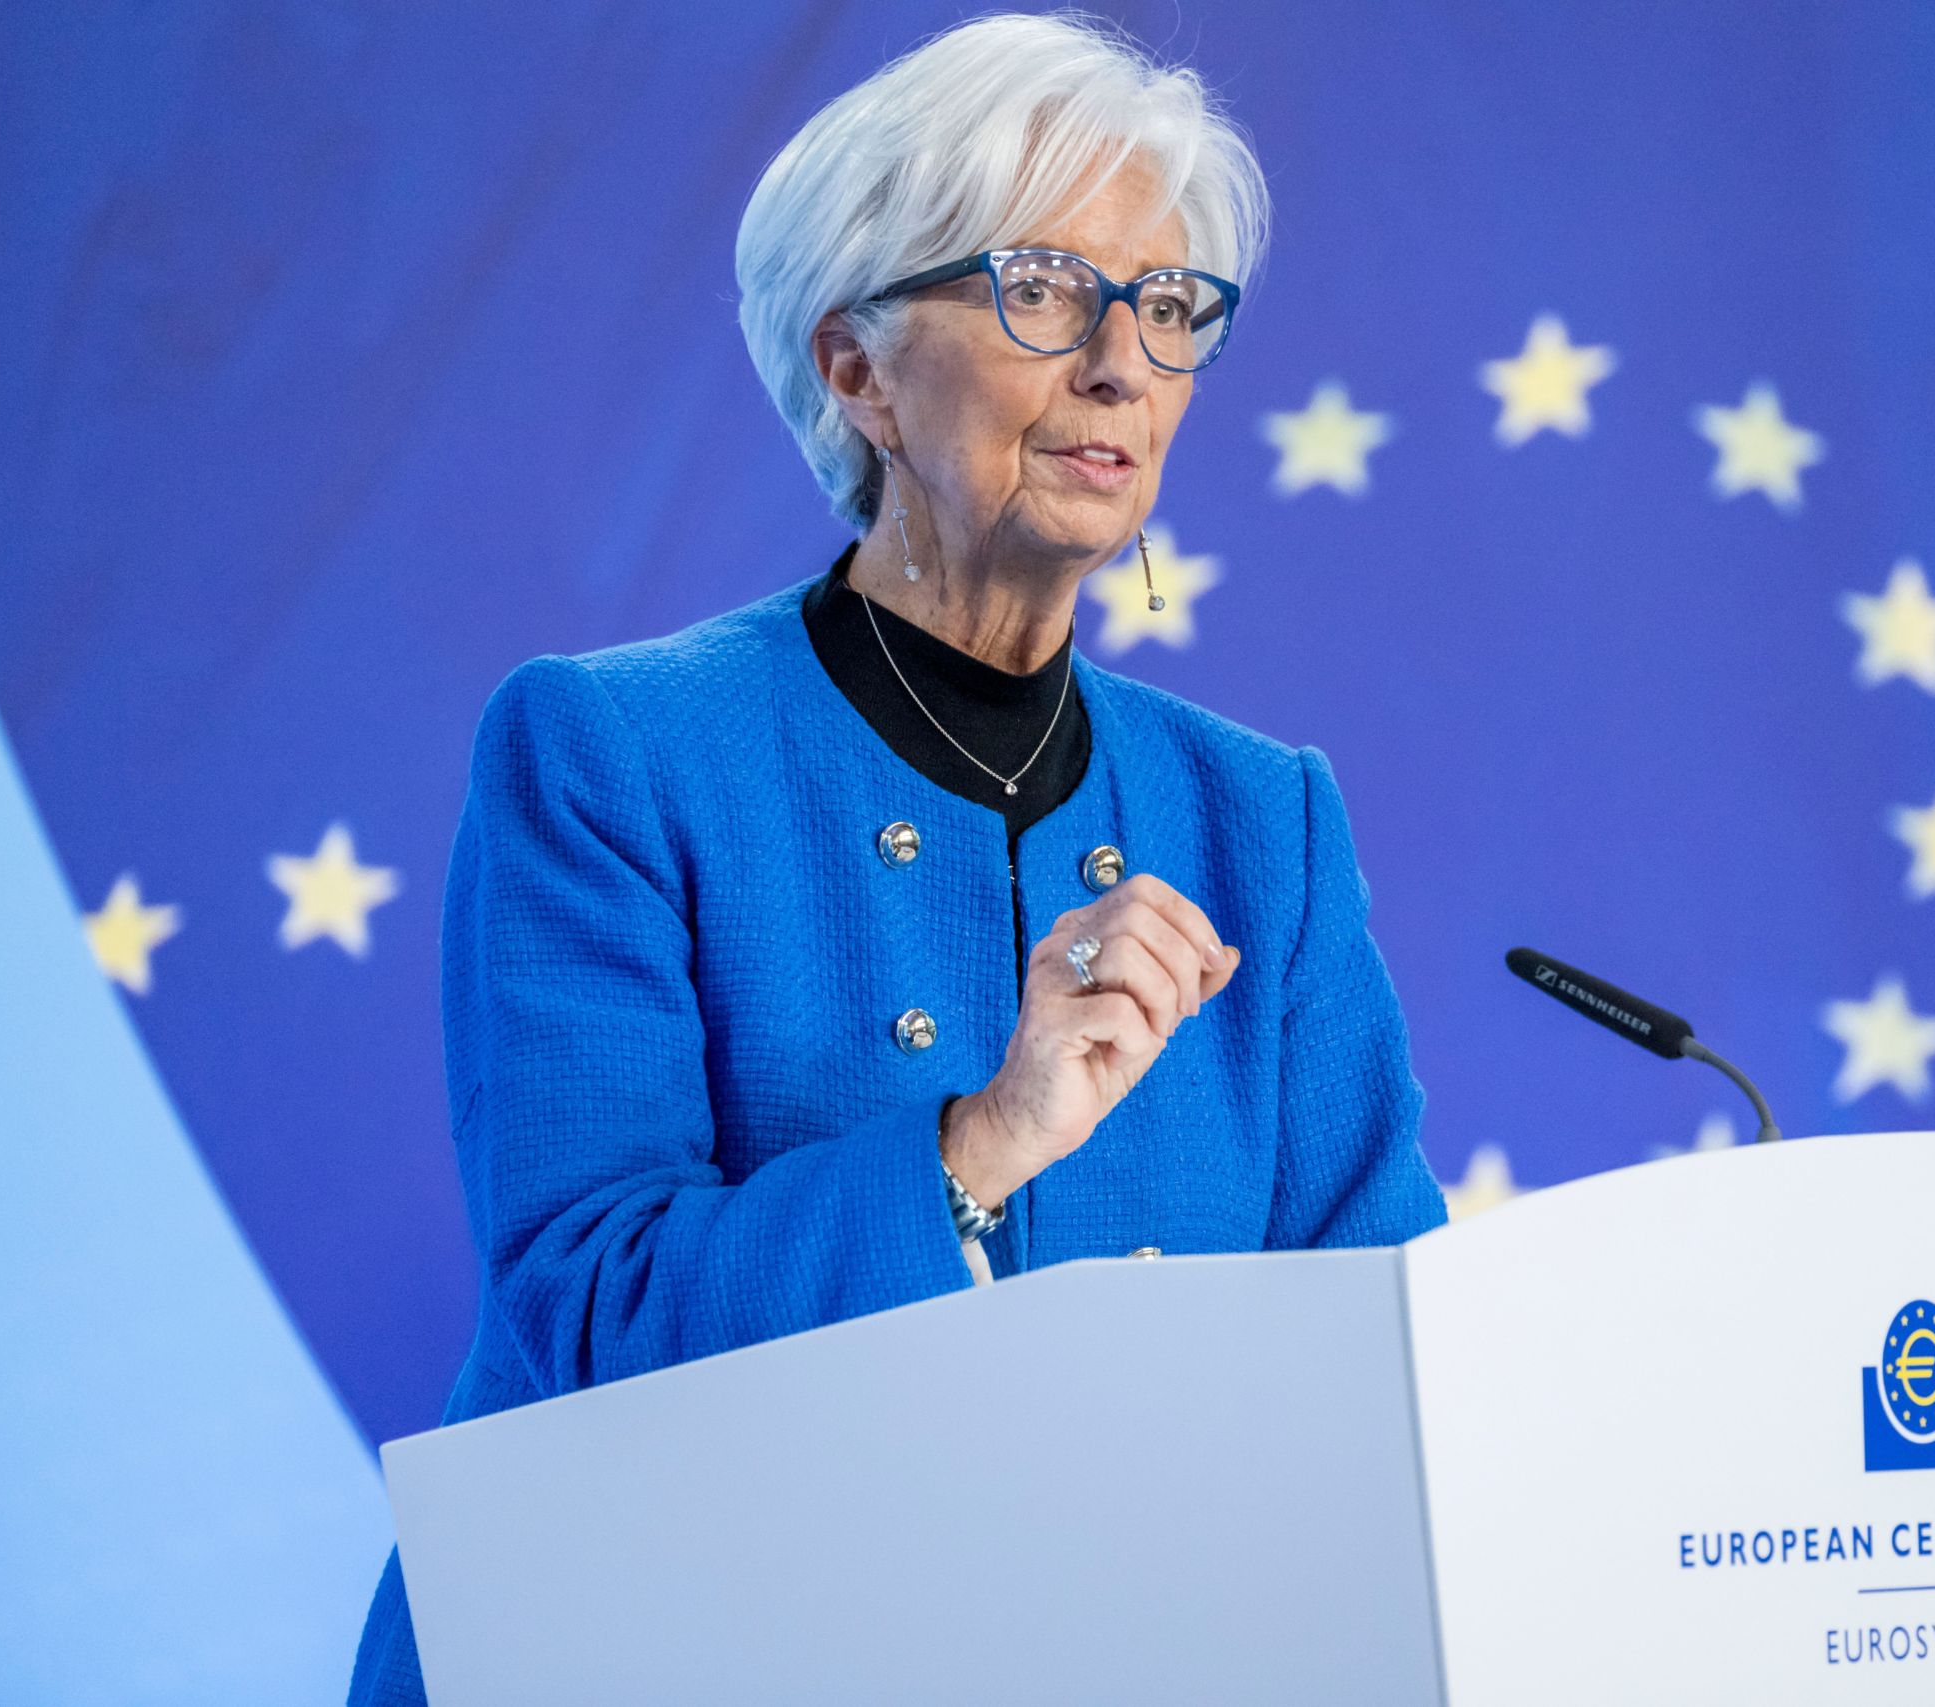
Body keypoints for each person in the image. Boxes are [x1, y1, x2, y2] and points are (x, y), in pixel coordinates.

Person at [347, 13, 1445, 1700]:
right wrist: (982, 1144)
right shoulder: (612, 752)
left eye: (1168, 306)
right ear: (855, 369)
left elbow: (1391, 1353)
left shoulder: (1264, 818)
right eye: (1046, 289)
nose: (1122, 364)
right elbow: (592, 1312)